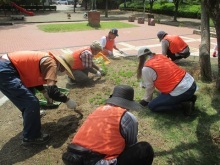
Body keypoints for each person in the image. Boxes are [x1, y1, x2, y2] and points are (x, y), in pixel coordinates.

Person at [62, 85, 154, 165]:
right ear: (129, 104)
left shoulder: (98, 110)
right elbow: (130, 145)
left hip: (73, 157)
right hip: (96, 160)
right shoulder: (128, 117)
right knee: (144, 149)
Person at [0, 51, 77, 145]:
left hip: (7, 67)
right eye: (65, 70)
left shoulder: (48, 60)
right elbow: (53, 91)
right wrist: (67, 100)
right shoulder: (52, 64)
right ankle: (31, 137)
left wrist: (44, 92)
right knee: (31, 103)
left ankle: (32, 116)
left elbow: (34, 77)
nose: (64, 73)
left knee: (29, 94)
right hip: (6, 71)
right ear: (62, 66)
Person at [137, 47, 197, 116]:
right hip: (192, 84)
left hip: (182, 90)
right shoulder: (160, 56)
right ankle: (190, 97)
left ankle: (184, 105)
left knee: (153, 106)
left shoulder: (147, 68)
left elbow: (150, 87)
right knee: (162, 94)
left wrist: (146, 100)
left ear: (140, 58)